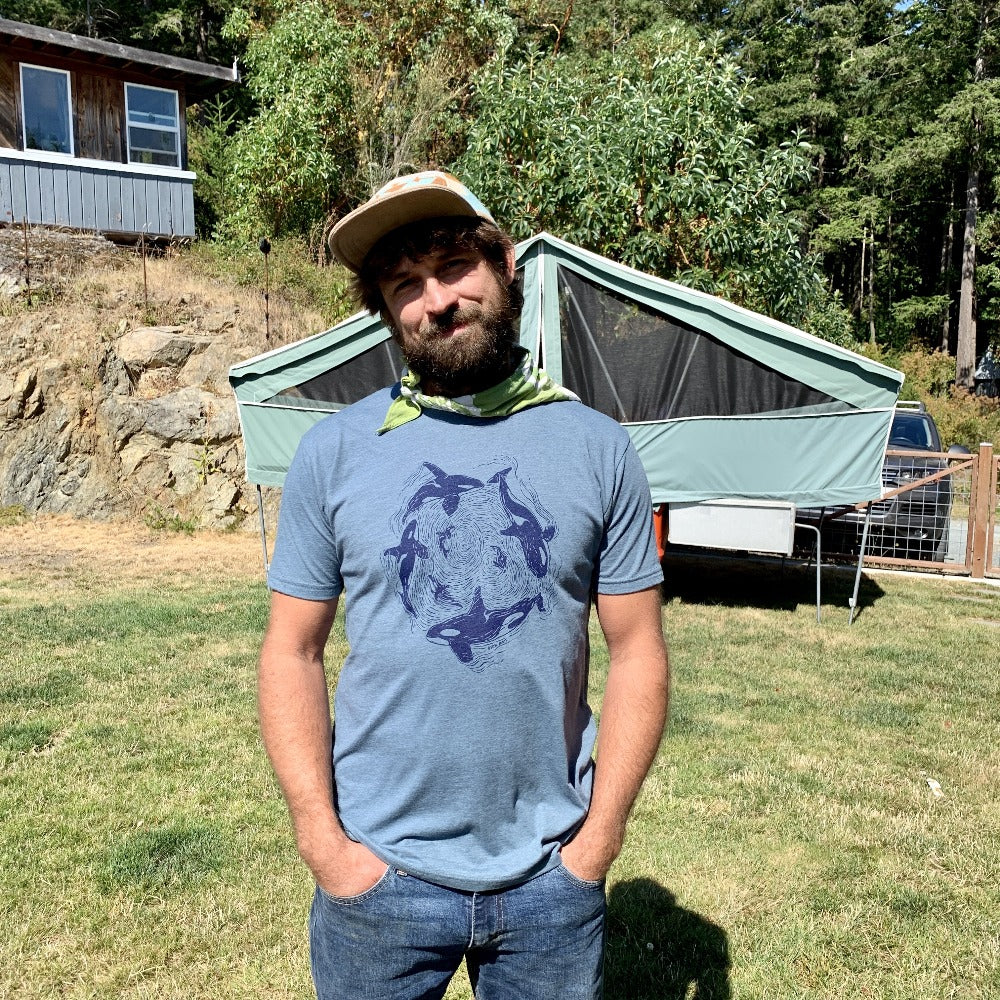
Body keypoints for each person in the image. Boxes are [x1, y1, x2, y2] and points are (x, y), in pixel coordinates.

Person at [258, 171, 669, 1000]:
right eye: (404, 284)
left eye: (453, 266)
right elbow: (291, 651)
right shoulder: (335, 453)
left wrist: (597, 845)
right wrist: (324, 845)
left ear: (505, 265)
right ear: (383, 309)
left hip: (550, 878)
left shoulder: (598, 450)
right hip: (377, 880)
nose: (435, 300)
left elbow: (637, 654)